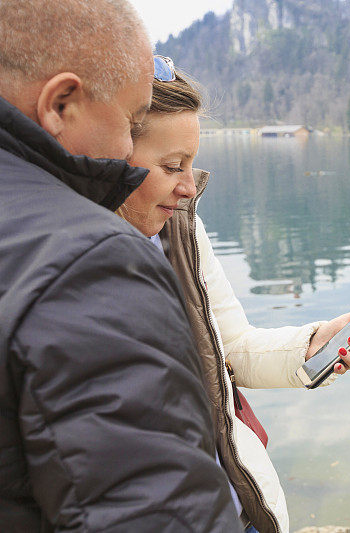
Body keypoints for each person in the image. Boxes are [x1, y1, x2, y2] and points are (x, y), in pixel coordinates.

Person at [0, 1, 242, 531]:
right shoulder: (90, 263)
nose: (126, 154)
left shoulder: (176, 234)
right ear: (60, 104)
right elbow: (158, 510)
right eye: (132, 125)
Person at [120, 59, 350, 533]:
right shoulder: (68, 258)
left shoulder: (182, 228)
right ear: (111, 150)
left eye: (192, 164)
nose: (188, 187)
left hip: (238, 508)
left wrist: (313, 343)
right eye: (172, 165)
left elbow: (229, 348)